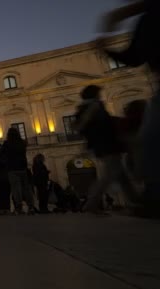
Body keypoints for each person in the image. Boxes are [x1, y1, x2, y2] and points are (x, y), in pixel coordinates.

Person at [97, 0, 160, 217]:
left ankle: (153, 195)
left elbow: (133, 57)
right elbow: (134, 57)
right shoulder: (147, 18)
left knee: (151, 141)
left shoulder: (147, 18)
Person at [74, 85, 139, 214]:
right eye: (98, 93)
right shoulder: (94, 107)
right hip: (107, 144)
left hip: (105, 144)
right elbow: (101, 125)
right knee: (108, 175)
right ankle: (91, 203)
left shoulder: (89, 107)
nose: (100, 95)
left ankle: (135, 202)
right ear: (94, 94)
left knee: (121, 175)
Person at [1, 128, 35, 215]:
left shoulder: (6, 144)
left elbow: (2, 155)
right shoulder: (23, 143)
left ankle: (19, 207)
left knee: (16, 189)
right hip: (22, 168)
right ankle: (31, 207)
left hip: (12, 169)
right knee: (26, 188)